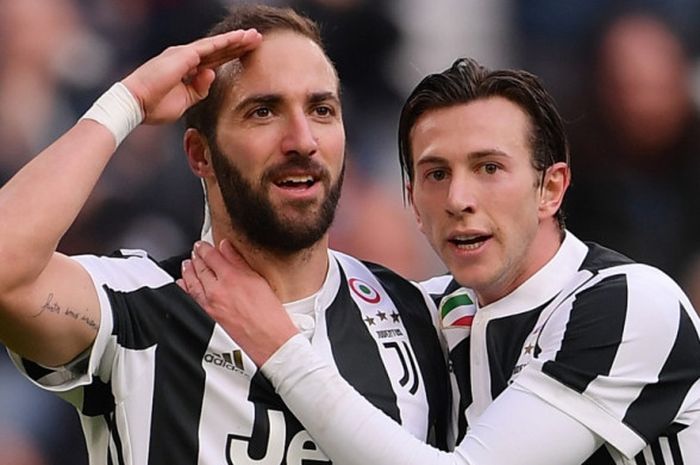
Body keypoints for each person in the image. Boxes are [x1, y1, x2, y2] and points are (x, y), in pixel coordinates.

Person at [181, 58, 700, 464]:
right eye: (435, 174)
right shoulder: (423, 313)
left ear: (551, 189)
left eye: (489, 167)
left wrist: (279, 346)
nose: (458, 199)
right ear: (412, 202)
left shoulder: (631, 305)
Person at [0, 5, 452, 465]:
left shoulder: (417, 316)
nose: (302, 139)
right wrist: (127, 102)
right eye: (263, 112)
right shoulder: (137, 308)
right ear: (200, 154)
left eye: (321, 110)